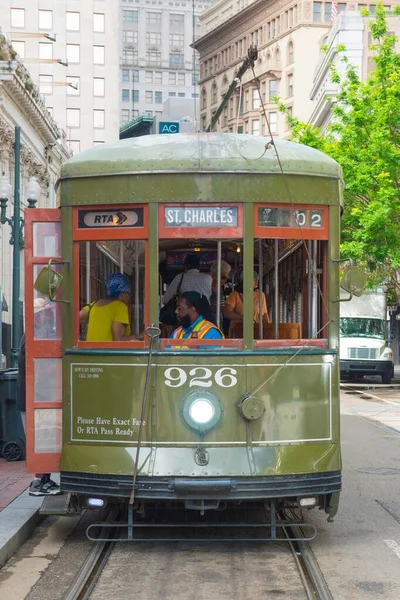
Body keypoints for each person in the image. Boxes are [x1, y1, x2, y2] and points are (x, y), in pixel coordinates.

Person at [17, 299, 61, 496]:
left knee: (47, 437)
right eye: (45, 313)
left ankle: (45, 480)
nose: (50, 316)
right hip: (33, 396)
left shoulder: (39, 335)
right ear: (36, 317)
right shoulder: (32, 339)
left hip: (40, 394)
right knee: (41, 438)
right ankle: (37, 483)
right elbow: (38, 370)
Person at [79, 272, 142, 342]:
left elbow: (77, 318)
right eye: (128, 293)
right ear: (121, 294)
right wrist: (139, 336)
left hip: (89, 351)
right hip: (107, 352)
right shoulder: (120, 306)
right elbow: (118, 340)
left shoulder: (93, 305)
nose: (129, 297)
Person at [209, 260, 231, 334]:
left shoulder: (220, 288)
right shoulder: (208, 288)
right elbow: (207, 307)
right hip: (210, 325)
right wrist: (226, 308)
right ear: (215, 275)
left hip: (219, 324)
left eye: (226, 278)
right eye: (223, 277)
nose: (225, 280)